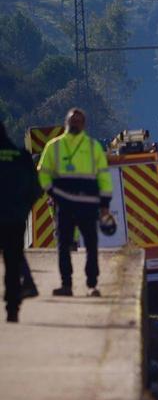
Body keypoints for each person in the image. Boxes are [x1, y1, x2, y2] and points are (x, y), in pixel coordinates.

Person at [36, 107, 115, 298]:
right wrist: (53, 192)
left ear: (84, 124)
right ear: (66, 122)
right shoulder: (54, 146)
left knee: (91, 245)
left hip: (88, 205)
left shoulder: (93, 147)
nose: (75, 123)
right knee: (63, 245)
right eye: (72, 120)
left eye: (78, 121)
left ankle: (92, 284)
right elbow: (42, 173)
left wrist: (105, 205)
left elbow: (104, 177)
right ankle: (66, 285)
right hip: (64, 205)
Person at [0, 120, 42, 323]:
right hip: (15, 219)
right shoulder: (22, 157)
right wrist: (23, 210)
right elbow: (36, 189)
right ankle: (13, 306)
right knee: (13, 260)